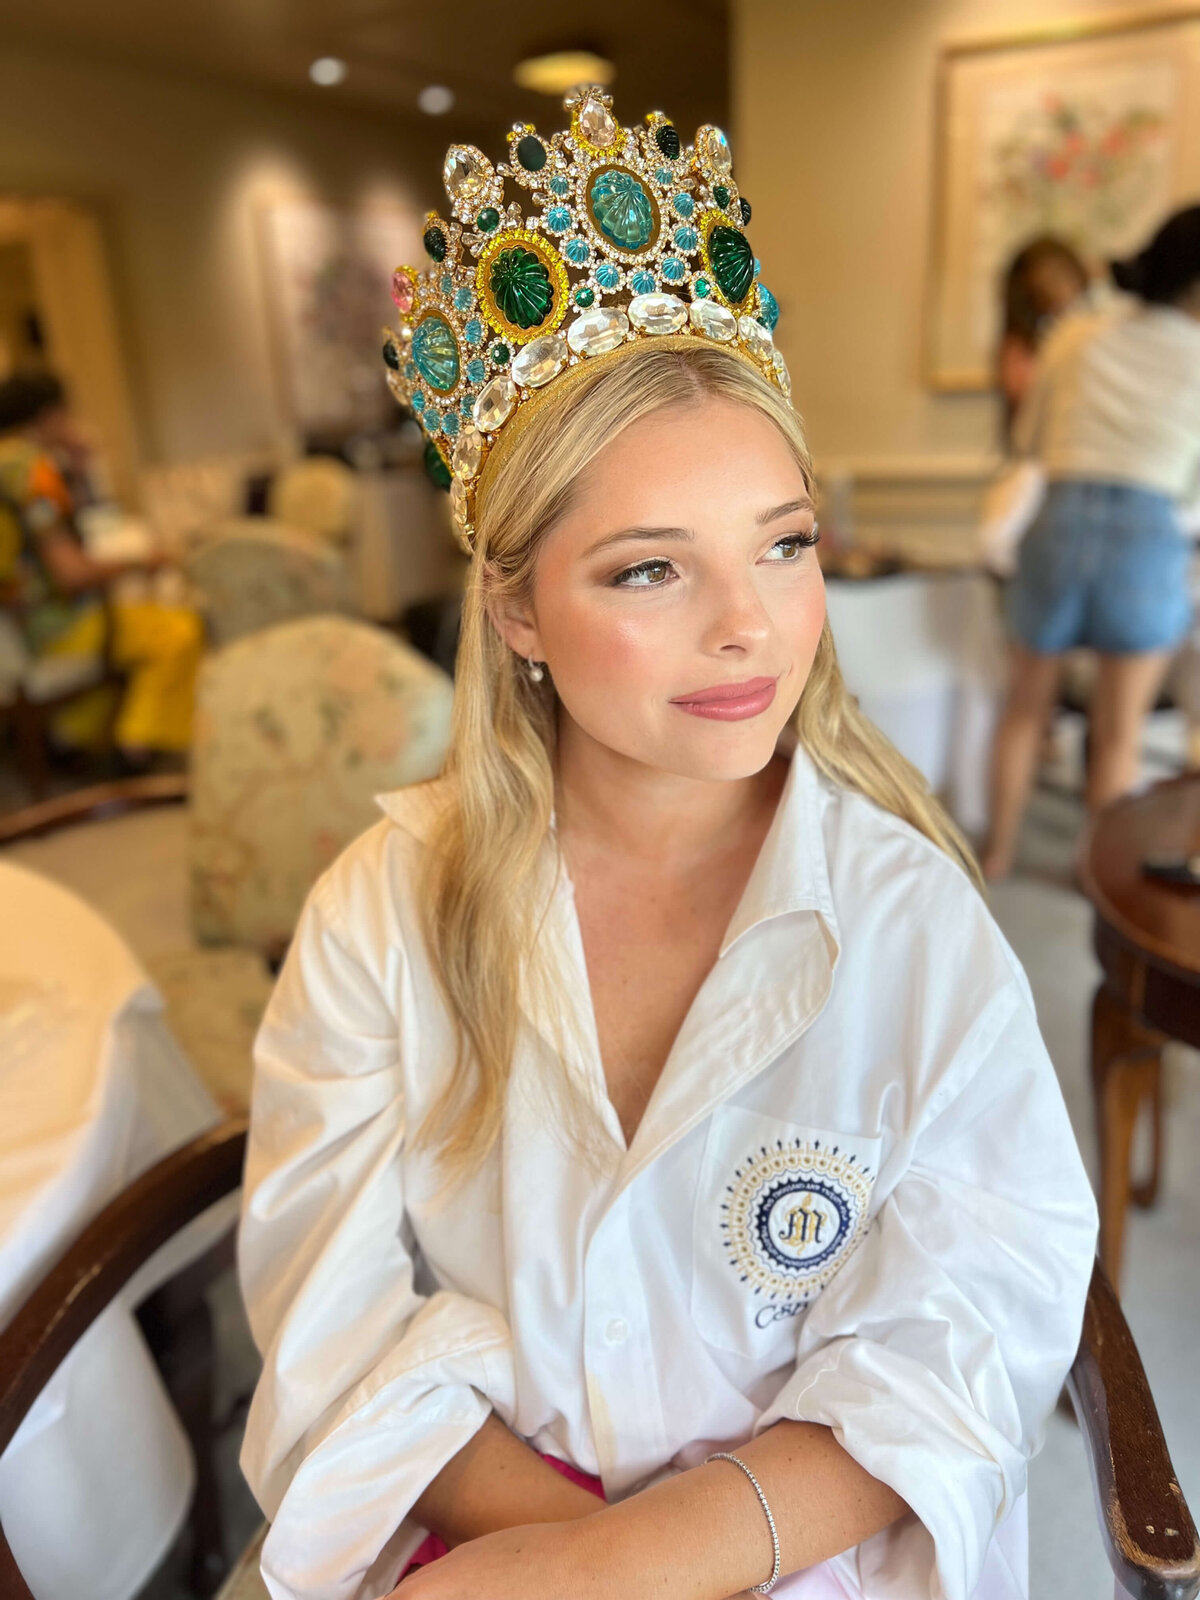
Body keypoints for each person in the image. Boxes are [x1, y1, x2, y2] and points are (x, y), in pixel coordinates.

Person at [238, 90, 1097, 1600]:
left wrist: (637, 1565)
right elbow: (331, 1313)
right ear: (516, 615)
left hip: (806, 1558)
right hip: (476, 1533)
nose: (748, 626)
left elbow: (971, 1325)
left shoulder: (912, 926)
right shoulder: (381, 914)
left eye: (784, 542)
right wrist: (566, 1559)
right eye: (650, 568)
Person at [982, 205, 1200, 880]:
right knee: (1118, 732)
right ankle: (1092, 873)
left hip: (1061, 522)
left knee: (1025, 710)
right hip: (1147, 538)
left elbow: (1031, 444)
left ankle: (997, 855)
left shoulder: (1079, 332)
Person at [0, 370, 202, 760]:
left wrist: (76, 468)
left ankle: (76, 736)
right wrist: (141, 561)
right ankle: (138, 747)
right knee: (178, 629)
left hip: (13, 630)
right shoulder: (31, 471)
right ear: (50, 415)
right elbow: (71, 573)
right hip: (51, 629)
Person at [995, 235, 1090, 444]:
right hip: (1045, 453)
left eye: (1063, 276)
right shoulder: (1020, 348)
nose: (1060, 288)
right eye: (1049, 279)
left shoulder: (1093, 334)